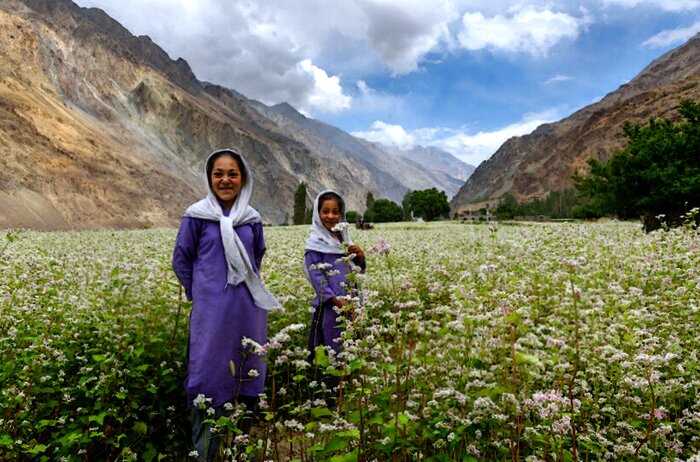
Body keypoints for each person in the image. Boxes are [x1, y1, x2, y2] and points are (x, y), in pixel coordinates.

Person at [172, 148, 280, 461]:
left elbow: (256, 257)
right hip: (210, 315)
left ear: (243, 178)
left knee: (246, 377)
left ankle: (238, 451)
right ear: (209, 177)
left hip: (248, 311)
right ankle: (203, 454)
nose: (225, 179)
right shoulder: (196, 216)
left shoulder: (252, 218)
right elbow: (181, 260)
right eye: (218, 173)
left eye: (232, 173)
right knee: (207, 378)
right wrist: (204, 293)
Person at [304, 190, 366, 396]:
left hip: (351, 305)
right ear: (317, 213)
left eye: (335, 212)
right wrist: (336, 301)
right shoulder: (314, 243)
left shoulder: (345, 240)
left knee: (351, 346)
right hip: (330, 308)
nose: (330, 216)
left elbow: (356, 272)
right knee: (331, 347)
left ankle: (349, 391)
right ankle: (329, 395)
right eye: (325, 211)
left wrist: (359, 256)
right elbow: (316, 276)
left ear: (342, 214)